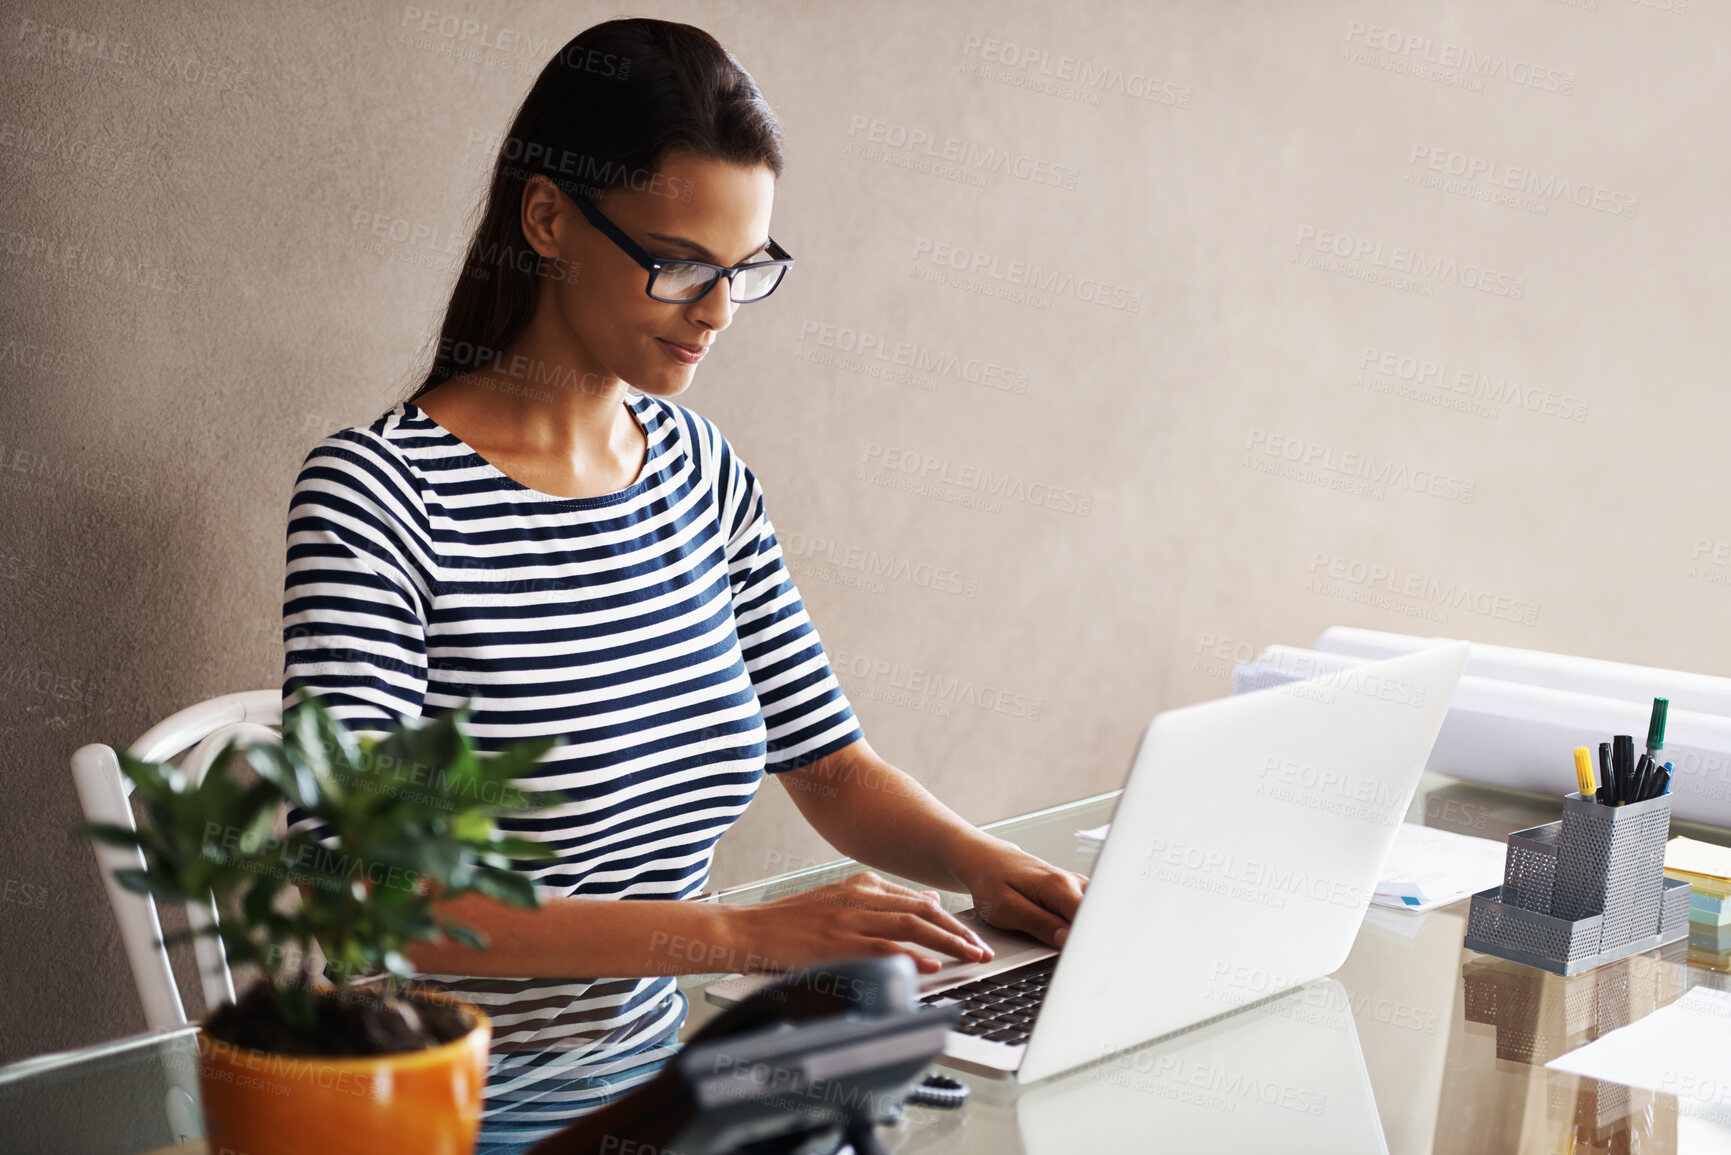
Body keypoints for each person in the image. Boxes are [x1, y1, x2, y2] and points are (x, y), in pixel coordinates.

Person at [281, 17, 1086, 1151]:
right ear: (549, 218)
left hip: (663, 1098)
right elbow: (372, 905)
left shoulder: (699, 471)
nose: (713, 310)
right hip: (467, 1120)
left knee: (890, 1033)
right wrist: (737, 935)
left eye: (744, 270)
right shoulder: (377, 499)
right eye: (678, 263)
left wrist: (985, 866)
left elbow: (835, 770)